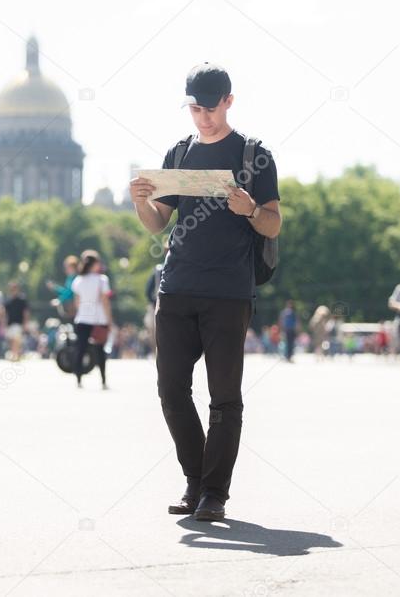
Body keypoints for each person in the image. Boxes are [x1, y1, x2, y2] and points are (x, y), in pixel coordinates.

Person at [128, 61, 281, 522]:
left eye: (210, 109)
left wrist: (250, 209)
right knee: (171, 389)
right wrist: (141, 202)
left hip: (228, 291)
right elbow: (159, 222)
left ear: (229, 102)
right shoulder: (179, 154)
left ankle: (214, 492)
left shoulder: (254, 155)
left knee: (224, 397)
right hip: (176, 286)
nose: (203, 118)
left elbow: (273, 221)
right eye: (195, 109)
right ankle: (195, 479)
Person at [70, 250, 113, 389]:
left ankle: (78, 378)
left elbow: (76, 302)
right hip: (99, 319)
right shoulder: (102, 280)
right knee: (100, 351)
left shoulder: (78, 280)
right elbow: (105, 302)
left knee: (80, 350)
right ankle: (103, 380)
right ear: (95, 264)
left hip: (82, 318)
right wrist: (110, 320)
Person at [4, 281, 30, 360]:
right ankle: (16, 353)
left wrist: (25, 323)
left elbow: (25, 312)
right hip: (10, 323)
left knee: (16, 339)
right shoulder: (8, 300)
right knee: (11, 340)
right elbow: (5, 313)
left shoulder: (22, 299)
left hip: (18, 323)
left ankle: (14, 355)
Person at [47, 255, 79, 319]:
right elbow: (67, 291)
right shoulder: (70, 278)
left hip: (75, 307)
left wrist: (59, 300)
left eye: (67, 267)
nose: (65, 270)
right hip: (71, 307)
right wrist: (54, 287)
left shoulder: (76, 278)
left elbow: (70, 292)